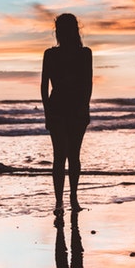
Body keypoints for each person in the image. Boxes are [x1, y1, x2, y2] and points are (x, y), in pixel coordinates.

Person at [41, 13, 92, 215]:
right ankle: (60, 201)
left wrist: (85, 107)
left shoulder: (84, 53)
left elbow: (87, 84)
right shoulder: (51, 54)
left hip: (74, 108)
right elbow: (44, 85)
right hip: (60, 108)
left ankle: (71, 198)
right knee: (62, 156)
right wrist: (47, 113)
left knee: (70, 156)